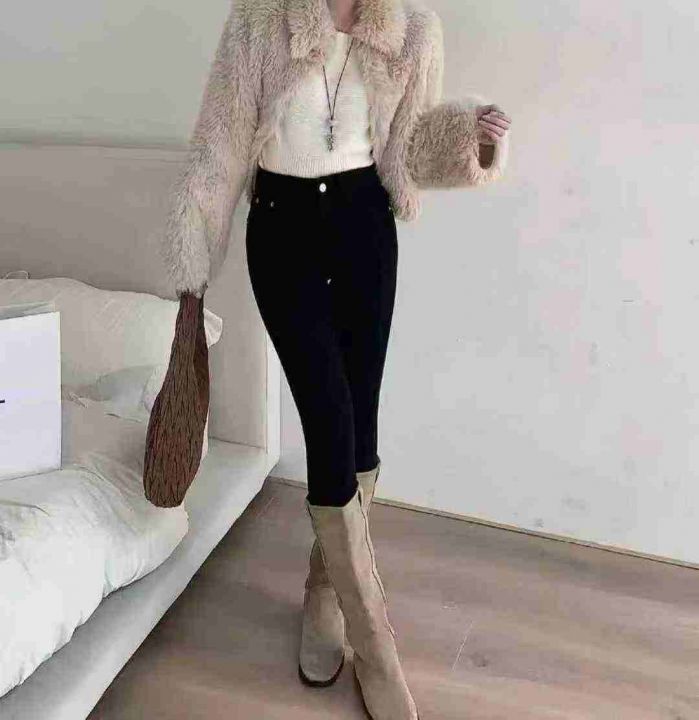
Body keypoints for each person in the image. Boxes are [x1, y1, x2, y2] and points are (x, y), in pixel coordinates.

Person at [161, 1, 511, 718]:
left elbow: (405, 151)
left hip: (364, 230)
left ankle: (326, 589)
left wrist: (469, 138)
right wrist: (194, 256)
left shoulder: (413, 29)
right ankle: (375, 642)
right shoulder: (259, 19)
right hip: (281, 232)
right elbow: (220, 142)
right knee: (328, 420)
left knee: (361, 423)